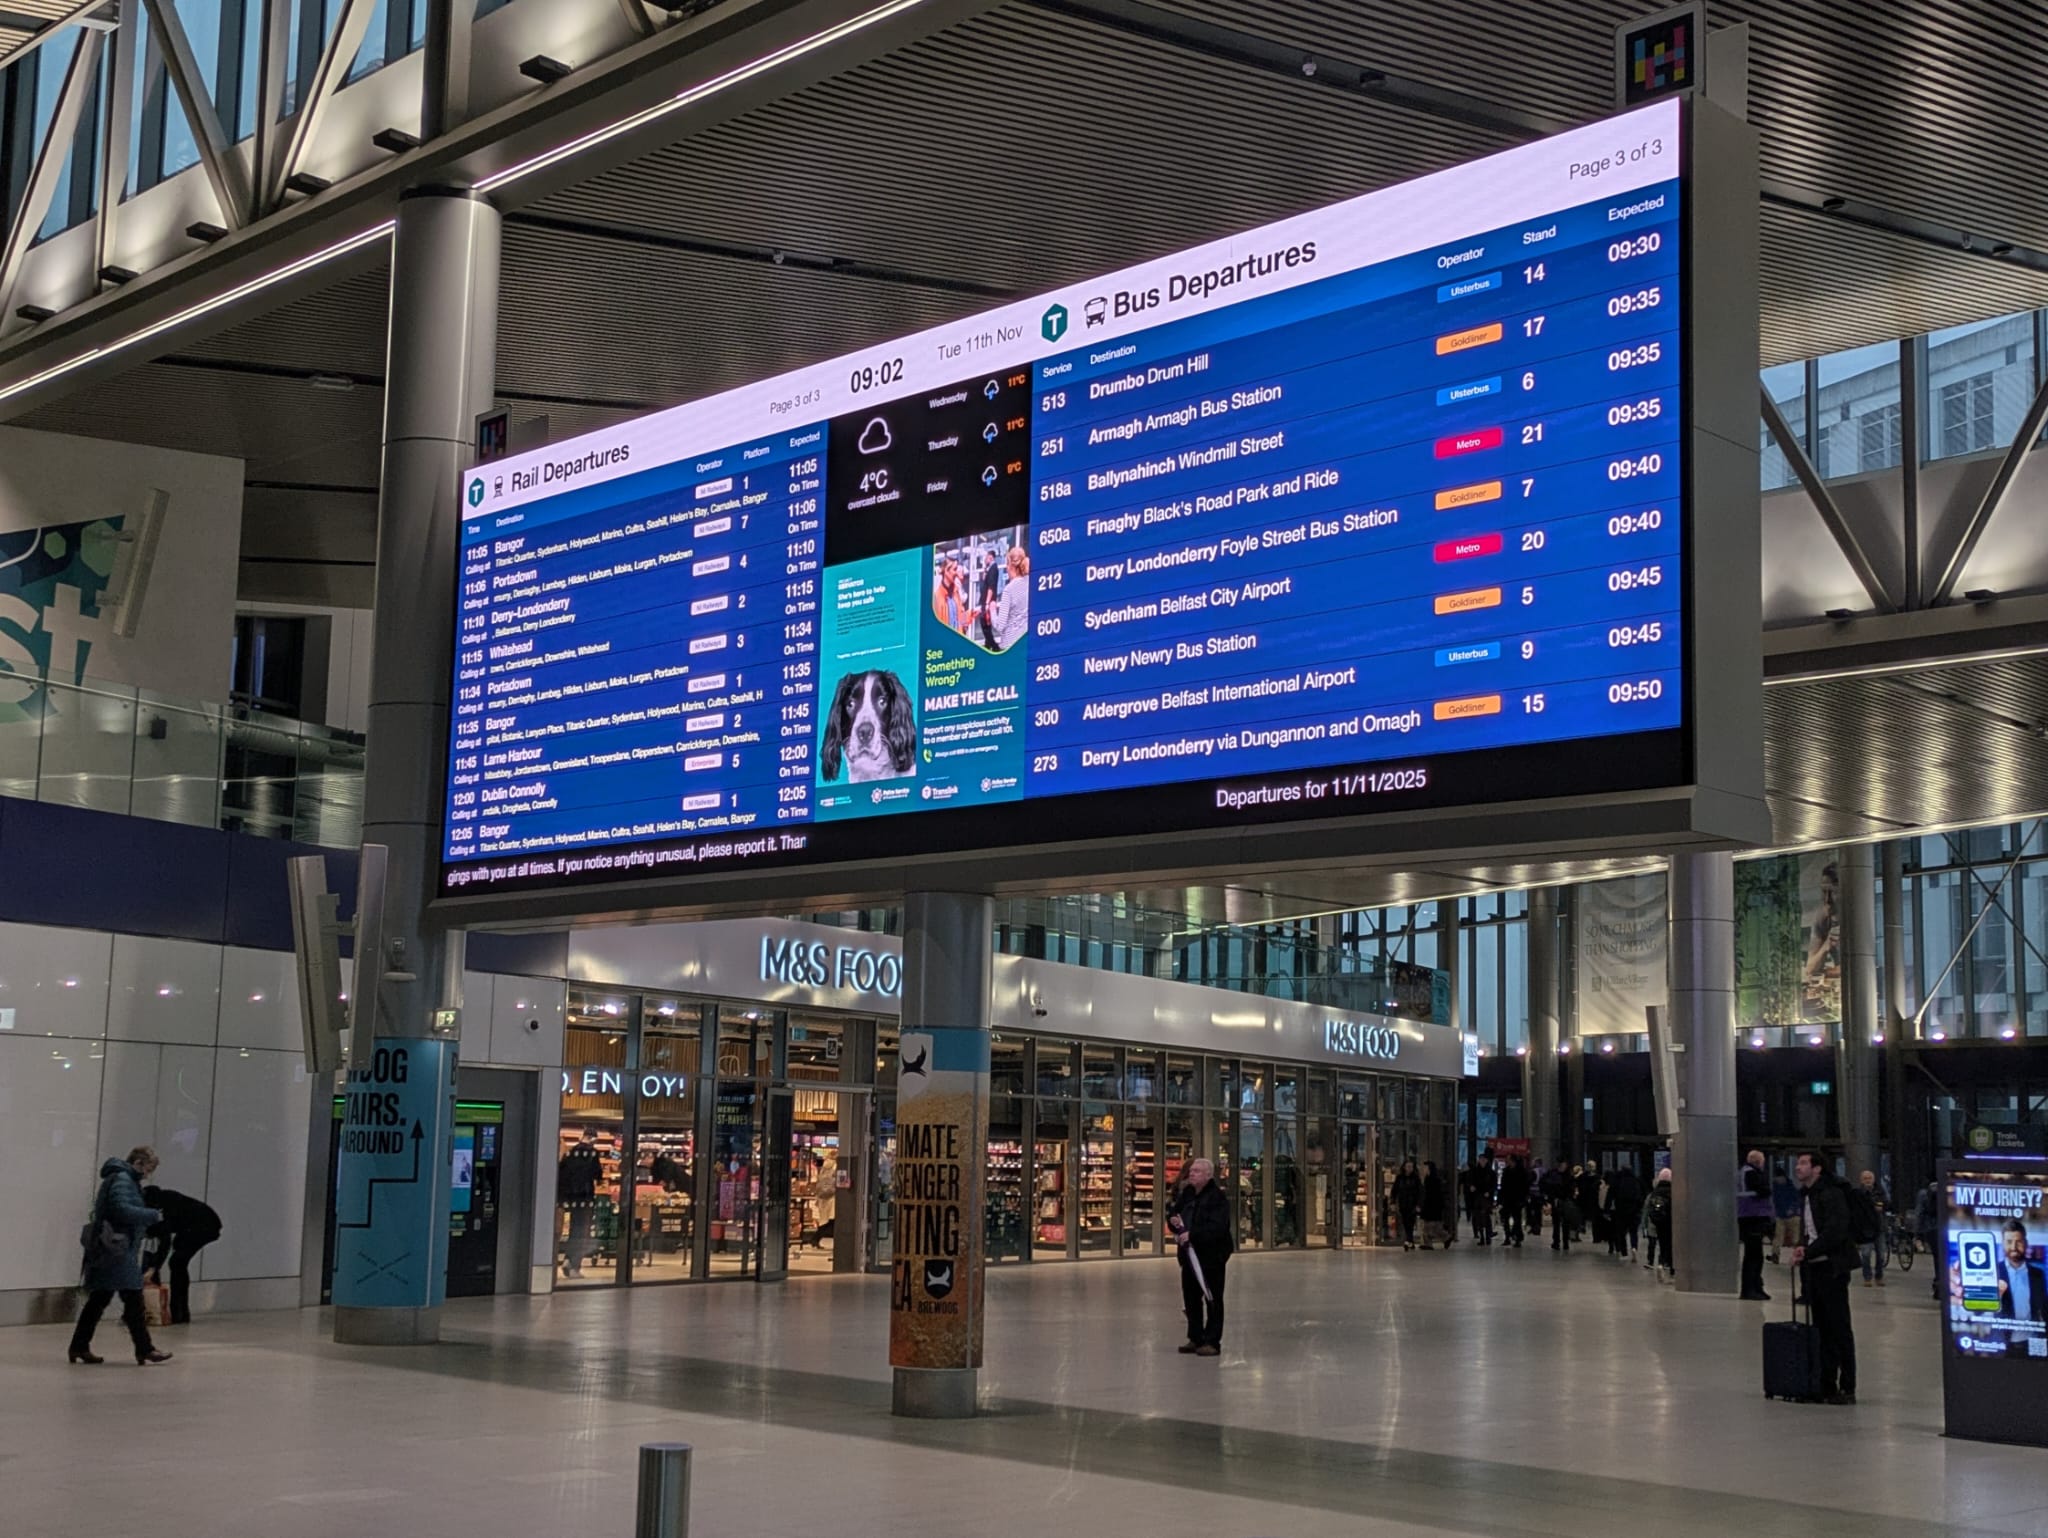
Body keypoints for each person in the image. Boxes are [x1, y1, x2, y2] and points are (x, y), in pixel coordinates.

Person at [69, 1146, 172, 1365]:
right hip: (118, 1249)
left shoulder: (121, 1179)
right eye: (149, 1168)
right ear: (139, 1163)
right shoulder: (124, 1180)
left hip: (112, 1249)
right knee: (133, 1299)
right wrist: (152, 1215)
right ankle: (145, 1349)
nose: (148, 1174)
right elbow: (121, 1209)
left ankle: (79, 1346)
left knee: (99, 1300)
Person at [1791, 1151, 1858, 1404]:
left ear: (1817, 1169)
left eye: (1803, 1163)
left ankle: (1847, 1386)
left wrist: (1809, 1250)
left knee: (1838, 1326)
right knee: (1821, 1327)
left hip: (1833, 1267)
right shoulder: (1808, 1195)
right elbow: (1811, 1230)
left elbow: (1835, 1231)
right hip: (1815, 1267)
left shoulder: (1831, 1193)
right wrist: (1802, 1248)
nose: (1798, 1167)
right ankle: (1825, 1383)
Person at [1167, 1158, 1233, 1356]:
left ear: (1208, 1175)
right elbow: (1174, 1214)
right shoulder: (1187, 1194)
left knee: (1212, 1297)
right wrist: (1173, 1223)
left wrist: (1193, 1235)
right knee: (1191, 1298)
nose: (1192, 1174)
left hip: (1211, 1256)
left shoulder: (1217, 1198)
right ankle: (1195, 1337)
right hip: (1188, 1256)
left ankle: (1212, 1341)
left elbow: (1218, 1227)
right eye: (1191, 1171)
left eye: (1196, 1171)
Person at [143, 1183, 222, 1326]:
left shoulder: (169, 1202)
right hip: (200, 1227)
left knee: (177, 1262)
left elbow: (167, 1231)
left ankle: (179, 1312)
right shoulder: (168, 1200)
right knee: (178, 1263)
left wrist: (150, 1231)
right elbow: (169, 1231)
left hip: (203, 1227)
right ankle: (180, 1312)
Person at [1995, 1219, 2048, 1356]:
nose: (2014, 1247)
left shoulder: (2037, 1274)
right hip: (2002, 1343)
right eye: (2009, 1242)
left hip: (2034, 1341)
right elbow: (1979, 1311)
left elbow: (2044, 1308)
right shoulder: (1994, 1272)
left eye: (2018, 1241)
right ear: (2002, 1244)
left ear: (2026, 1243)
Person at [558, 1134, 602, 1277]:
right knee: (583, 1232)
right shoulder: (592, 1153)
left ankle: (568, 1259)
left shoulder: (570, 1153)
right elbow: (598, 1174)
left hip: (571, 1197)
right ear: (593, 1139)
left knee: (573, 1230)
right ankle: (574, 1264)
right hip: (585, 1196)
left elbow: (563, 1174)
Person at [1737, 1149, 1774, 1300]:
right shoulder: (1751, 1173)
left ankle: (1756, 1287)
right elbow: (1762, 1190)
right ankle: (1750, 1289)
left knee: (1755, 1255)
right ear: (1758, 1161)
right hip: (1752, 1216)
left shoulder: (1745, 1171)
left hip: (1751, 1215)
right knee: (1753, 1256)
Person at [991, 546, 1031, 652]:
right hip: (1026, 643)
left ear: (1010, 566)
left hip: (1009, 647)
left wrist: (992, 610)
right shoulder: (1031, 583)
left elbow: (1000, 626)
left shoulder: (1009, 590)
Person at [1856, 1170, 1890, 1288]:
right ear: (1861, 1180)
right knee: (1865, 1254)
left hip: (1879, 1227)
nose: (1868, 1180)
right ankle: (1867, 1277)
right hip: (1865, 1228)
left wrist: (1883, 1207)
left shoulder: (1880, 1192)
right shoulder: (1858, 1193)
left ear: (1874, 1179)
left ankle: (1879, 1276)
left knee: (1881, 1255)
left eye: (1869, 1178)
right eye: (1865, 1178)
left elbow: (1888, 1204)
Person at [1606, 1162, 1644, 1262]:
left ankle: (1624, 1252)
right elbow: (1641, 1196)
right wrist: (1639, 1208)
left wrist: (1607, 1209)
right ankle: (1634, 1248)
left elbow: (1610, 1196)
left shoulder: (1617, 1181)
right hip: (1634, 1210)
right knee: (1633, 1232)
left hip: (1621, 1210)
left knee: (1621, 1232)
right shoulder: (1636, 1180)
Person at [1645, 1167, 1675, 1280]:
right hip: (1671, 1222)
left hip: (1659, 1222)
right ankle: (1672, 1268)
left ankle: (1661, 1263)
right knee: (1672, 1245)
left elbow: (1649, 1207)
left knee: (1662, 1245)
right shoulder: (1673, 1190)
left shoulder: (1655, 1191)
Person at [1771, 1163, 1802, 1264]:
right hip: (1788, 1215)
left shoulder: (1777, 1187)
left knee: (1781, 1237)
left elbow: (1777, 1201)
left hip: (1784, 1215)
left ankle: (1776, 1255)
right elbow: (1796, 1198)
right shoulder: (1789, 1185)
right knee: (1794, 1237)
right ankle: (1776, 1254)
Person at [1540, 1162, 1574, 1252]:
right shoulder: (1562, 1175)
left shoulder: (1558, 1175)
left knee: (1563, 1222)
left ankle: (1563, 1242)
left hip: (1562, 1200)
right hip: (1558, 1200)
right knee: (1557, 1222)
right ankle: (1558, 1242)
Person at [1499, 1156, 1531, 1248]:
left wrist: (1524, 1198)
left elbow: (1525, 1186)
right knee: (1505, 1218)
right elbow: (1503, 1186)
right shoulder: (1506, 1171)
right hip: (1507, 1198)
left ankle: (1517, 1238)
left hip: (1517, 1199)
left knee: (1517, 1219)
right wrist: (1501, 1199)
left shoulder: (1522, 1172)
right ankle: (1507, 1237)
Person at [1465, 1157, 1496, 1245]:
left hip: (1485, 1197)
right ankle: (1482, 1236)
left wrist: (1489, 1192)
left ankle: (1487, 1236)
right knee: (1478, 1216)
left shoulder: (1490, 1173)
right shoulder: (1474, 1172)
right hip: (1477, 1196)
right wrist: (1471, 1186)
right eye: (1480, 1160)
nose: (1482, 1162)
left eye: (1484, 1160)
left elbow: (1493, 1185)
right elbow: (1469, 1181)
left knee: (1485, 1216)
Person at [1392, 1159, 1422, 1250]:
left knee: (1410, 1223)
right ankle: (1410, 1241)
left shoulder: (1416, 1178)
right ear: (1404, 1167)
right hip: (1403, 1203)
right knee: (1405, 1223)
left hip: (1412, 1204)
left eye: (1411, 1167)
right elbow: (1395, 1190)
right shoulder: (1400, 1178)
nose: (1410, 1168)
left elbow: (1420, 1192)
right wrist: (1392, 1202)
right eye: (1408, 1166)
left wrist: (1418, 1204)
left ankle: (1408, 1241)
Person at [1419, 1161, 1447, 1249]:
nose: (1423, 1169)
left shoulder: (1432, 1180)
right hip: (1431, 1205)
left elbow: (1432, 1194)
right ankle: (1446, 1238)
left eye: (1425, 1168)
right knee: (1433, 1226)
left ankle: (1429, 1243)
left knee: (1429, 1226)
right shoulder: (1428, 1179)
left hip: (1432, 1206)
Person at [1576, 1164, 1603, 1247]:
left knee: (1583, 1217)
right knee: (1595, 1220)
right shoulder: (1597, 1178)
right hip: (1593, 1200)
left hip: (1585, 1200)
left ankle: (1580, 1232)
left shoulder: (1582, 1177)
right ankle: (1596, 1237)